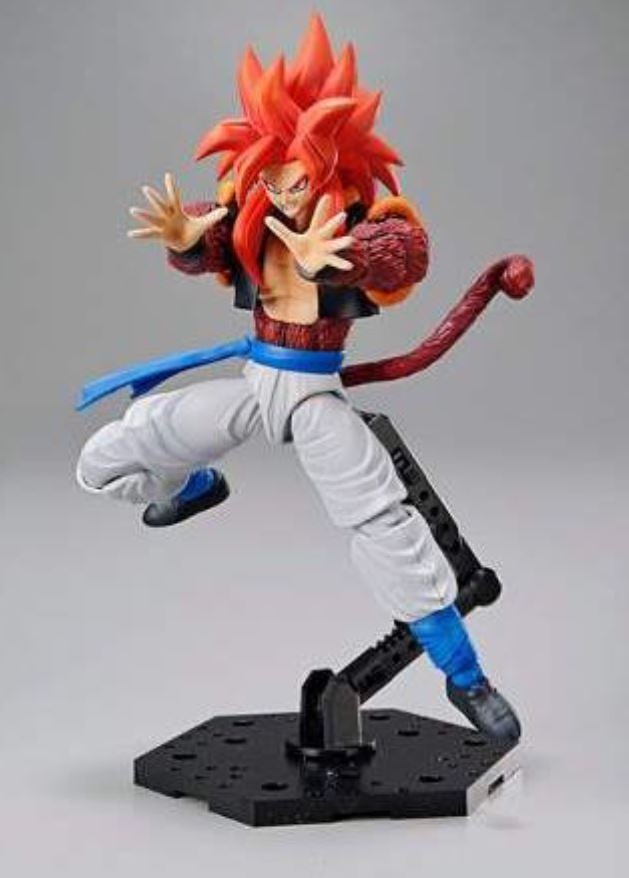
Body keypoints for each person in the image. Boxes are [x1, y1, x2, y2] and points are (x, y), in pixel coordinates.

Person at [76, 14, 521, 741]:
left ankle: (467, 679)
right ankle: (191, 486)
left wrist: (339, 258)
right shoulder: (252, 218)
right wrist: (185, 242)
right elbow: (210, 234)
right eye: (270, 177)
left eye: (298, 177)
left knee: (388, 530)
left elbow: (404, 253)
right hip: (256, 386)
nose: (282, 191)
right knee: (111, 455)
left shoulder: (362, 222)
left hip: (315, 399)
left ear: (335, 167)